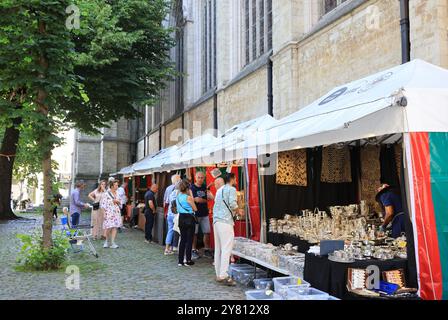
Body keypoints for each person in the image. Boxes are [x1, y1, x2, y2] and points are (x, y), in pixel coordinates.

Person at [213, 174, 242, 286]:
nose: (236, 180)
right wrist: (239, 211)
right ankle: (224, 274)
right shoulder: (232, 189)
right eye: (235, 178)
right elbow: (232, 204)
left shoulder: (219, 190)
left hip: (216, 220)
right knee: (226, 248)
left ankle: (218, 273)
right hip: (225, 221)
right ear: (232, 179)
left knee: (218, 248)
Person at [191, 171, 214, 259]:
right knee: (194, 233)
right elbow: (195, 200)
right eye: (199, 177)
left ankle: (207, 250)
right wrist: (205, 200)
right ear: (195, 178)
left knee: (207, 232)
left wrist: (204, 199)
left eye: (202, 178)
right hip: (195, 214)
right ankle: (193, 250)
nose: (200, 179)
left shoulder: (205, 187)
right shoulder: (192, 188)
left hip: (205, 213)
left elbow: (210, 198)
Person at [176, 179, 198, 267]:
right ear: (187, 188)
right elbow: (195, 208)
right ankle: (188, 260)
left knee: (182, 239)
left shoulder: (178, 196)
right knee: (189, 240)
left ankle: (180, 261)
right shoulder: (188, 197)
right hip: (189, 218)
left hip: (181, 218)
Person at [101, 179, 122, 248]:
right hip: (109, 213)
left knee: (114, 227)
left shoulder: (118, 193)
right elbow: (103, 205)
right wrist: (104, 213)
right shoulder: (106, 194)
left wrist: (117, 201)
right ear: (112, 186)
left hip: (116, 213)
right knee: (108, 228)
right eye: (116, 185)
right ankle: (106, 241)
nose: (117, 186)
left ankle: (113, 243)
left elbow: (120, 203)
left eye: (117, 185)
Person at [164, 174, 181, 255]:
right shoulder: (178, 190)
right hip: (175, 214)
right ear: (177, 181)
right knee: (179, 231)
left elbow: (166, 202)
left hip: (169, 213)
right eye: (180, 179)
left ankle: (167, 248)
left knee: (170, 230)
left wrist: (166, 212)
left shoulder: (168, 189)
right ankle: (176, 247)